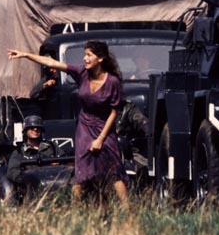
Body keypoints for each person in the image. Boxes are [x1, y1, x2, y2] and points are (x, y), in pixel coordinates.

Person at [7, 40, 128, 206]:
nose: (84, 58)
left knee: (113, 172)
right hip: (84, 128)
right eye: (84, 54)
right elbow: (52, 62)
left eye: (89, 55)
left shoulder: (112, 82)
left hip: (104, 128)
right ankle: (76, 211)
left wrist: (101, 139)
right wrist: (26, 55)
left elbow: (114, 112)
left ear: (100, 58)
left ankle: (128, 212)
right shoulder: (81, 74)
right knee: (82, 174)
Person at [6, 114, 61, 188]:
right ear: (25, 131)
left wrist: (59, 165)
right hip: (31, 187)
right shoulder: (19, 151)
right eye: (31, 128)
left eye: (38, 127)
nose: (35, 129)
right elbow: (12, 171)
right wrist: (26, 178)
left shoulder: (52, 146)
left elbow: (67, 162)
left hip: (54, 183)